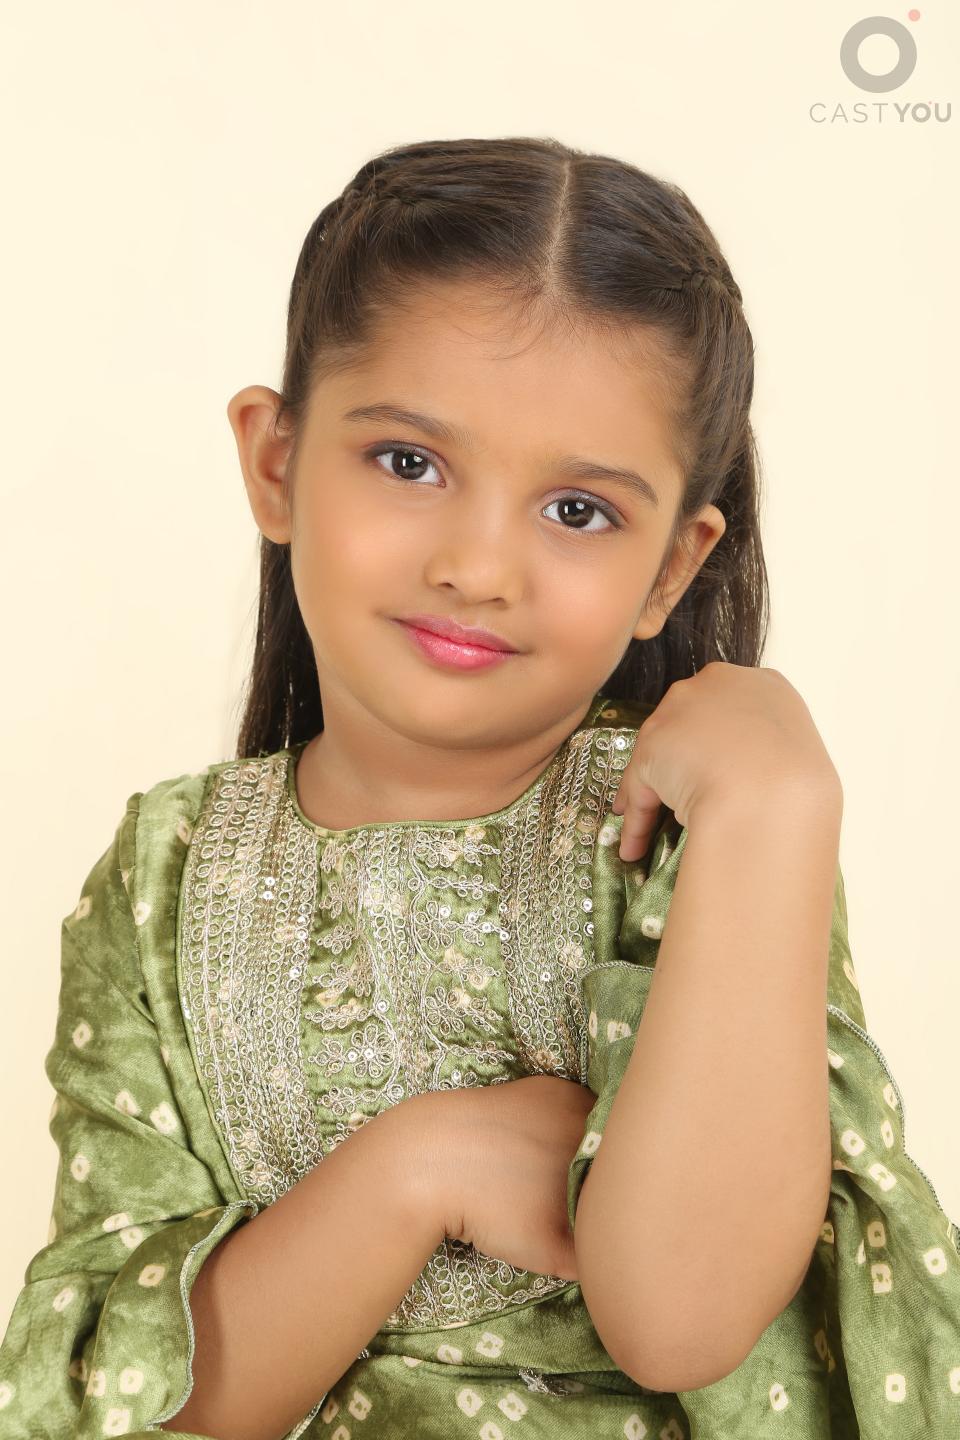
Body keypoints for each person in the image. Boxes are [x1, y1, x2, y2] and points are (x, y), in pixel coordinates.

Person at [1, 135, 958, 1440]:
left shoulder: (701, 835)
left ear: (671, 572)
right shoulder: (162, 876)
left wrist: (783, 806)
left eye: (577, 512)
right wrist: (420, 1170)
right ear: (276, 463)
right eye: (409, 463)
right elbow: (126, 1407)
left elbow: (684, 1313)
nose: (478, 566)